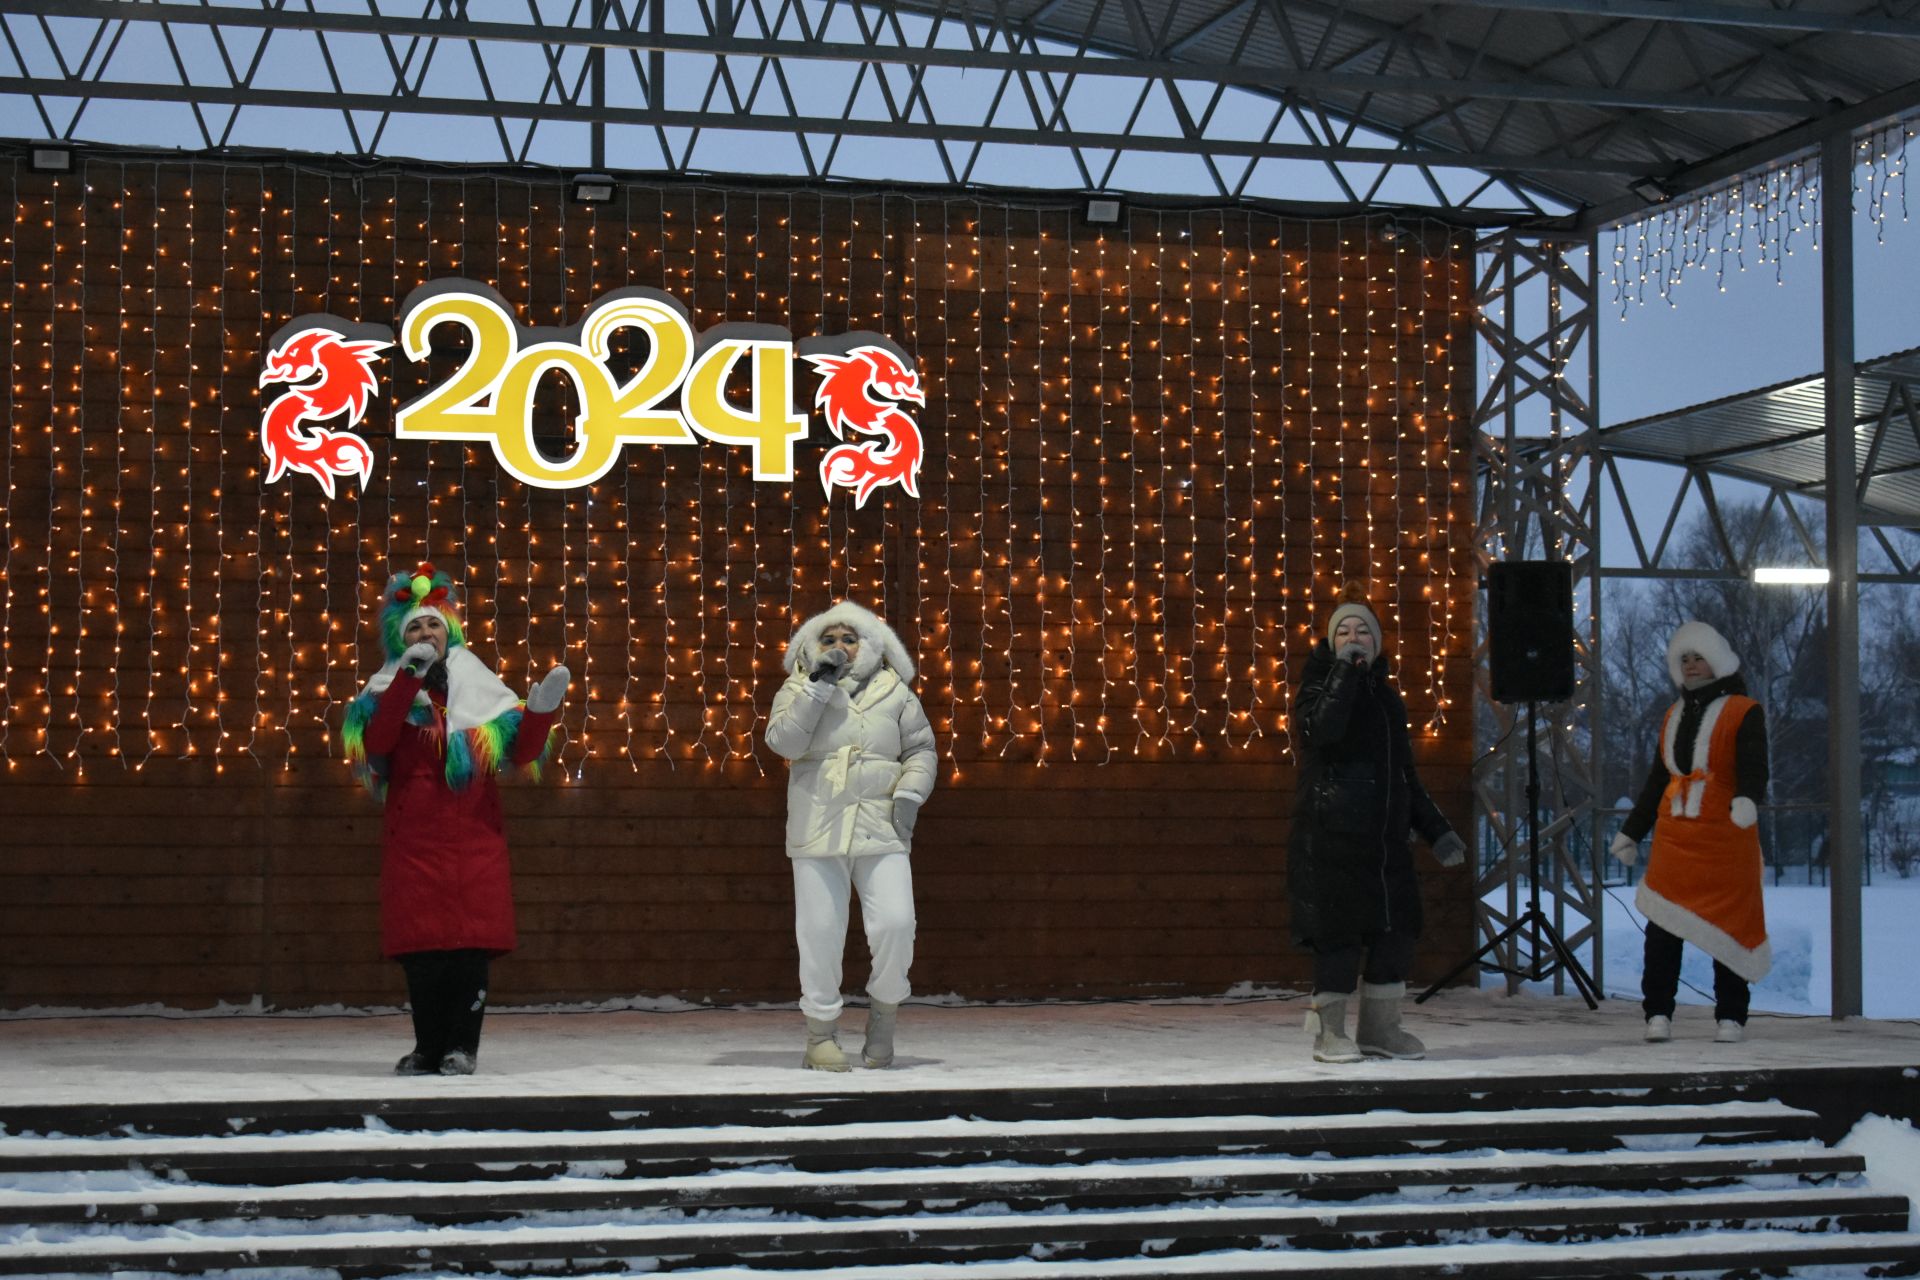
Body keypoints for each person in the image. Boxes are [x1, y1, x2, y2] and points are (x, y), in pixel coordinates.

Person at [343, 564, 569, 1076]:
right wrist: (408, 678)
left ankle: (461, 1048)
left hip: (474, 839)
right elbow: (377, 742)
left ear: (452, 634)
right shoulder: (386, 691)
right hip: (415, 841)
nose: (425, 634)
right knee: (422, 952)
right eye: (415, 629)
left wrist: (539, 712)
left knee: (470, 950)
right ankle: (427, 1048)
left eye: (433, 627)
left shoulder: (482, 689)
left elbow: (523, 754)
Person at [1289, 582, 1466, 1063]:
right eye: (1343, 631)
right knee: (1339, 936)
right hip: (1333, 840)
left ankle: (1380, 1030)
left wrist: (1436, 829)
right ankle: (1330, 1034)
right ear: (1330, 642)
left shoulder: (1389, 703)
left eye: (1362, 632)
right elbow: (1322, 730)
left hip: (1385, 845)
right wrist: (1344, 673)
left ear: (1378, 641)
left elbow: (1404, 775)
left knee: (1397, 930)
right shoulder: (1313, 689)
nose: (1353, 638)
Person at [764, 601, 936, 1071]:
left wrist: (909, 795)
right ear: (812, 646)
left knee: (897, 924)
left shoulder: (894, 692)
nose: (840, 646)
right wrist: (818, 687)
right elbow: (783, 743)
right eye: (829, 639)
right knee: (820, 932)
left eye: (849, 638)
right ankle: (820, 1033)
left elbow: (920, 748)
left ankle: (883, 1016)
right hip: (818, 826)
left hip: (882, 825)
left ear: (869, 645)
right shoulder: (799, 686)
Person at [1610, 620, 1770, 1045]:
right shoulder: (1672, 716)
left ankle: (1731, 1016)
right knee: (1662, 928)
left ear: (1715, 661)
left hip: (1725, 836)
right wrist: (1632, 831)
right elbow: (1658, 779)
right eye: (1685, 659)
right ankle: (1657, 1012)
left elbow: (1755, 768)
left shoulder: (1743, 710)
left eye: (1699, 657)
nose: (1692, 665)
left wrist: (1747, 800)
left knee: (1729, 926)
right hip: (1676, 839)